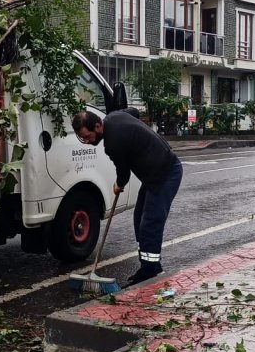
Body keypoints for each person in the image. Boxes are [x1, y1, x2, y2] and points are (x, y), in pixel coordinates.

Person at [73, 109, 183, 286]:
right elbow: (133, 113)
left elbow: (123, 173)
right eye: (82, 138)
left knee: (150, 223)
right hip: (152, 176)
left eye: (87, 136)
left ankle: (152, 270)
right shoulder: (114, 116)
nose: (86, 142)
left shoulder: (113, 144)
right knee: (139, 218)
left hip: (166, 174)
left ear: (97, 126)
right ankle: (147, 265)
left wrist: (118, 185)